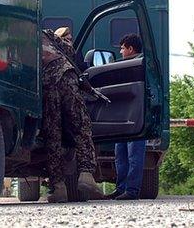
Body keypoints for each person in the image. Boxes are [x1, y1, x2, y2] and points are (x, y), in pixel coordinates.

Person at [40, 29, 103, 203]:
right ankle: (86, 174)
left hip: (44, 86)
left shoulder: (15, 37)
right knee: (81, 124)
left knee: (53, 136)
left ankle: (59, 187)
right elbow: (70, 51)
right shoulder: (44, 32)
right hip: (65, 77)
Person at [107, 33, 146, 200]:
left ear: (131, 49)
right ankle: (121, 188)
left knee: (134, 155)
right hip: (123, 117)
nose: (121, 51)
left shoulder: (141, 65)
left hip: (136, 118)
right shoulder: (123, 65)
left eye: (123, 48)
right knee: (121, 154)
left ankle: (132, 190)